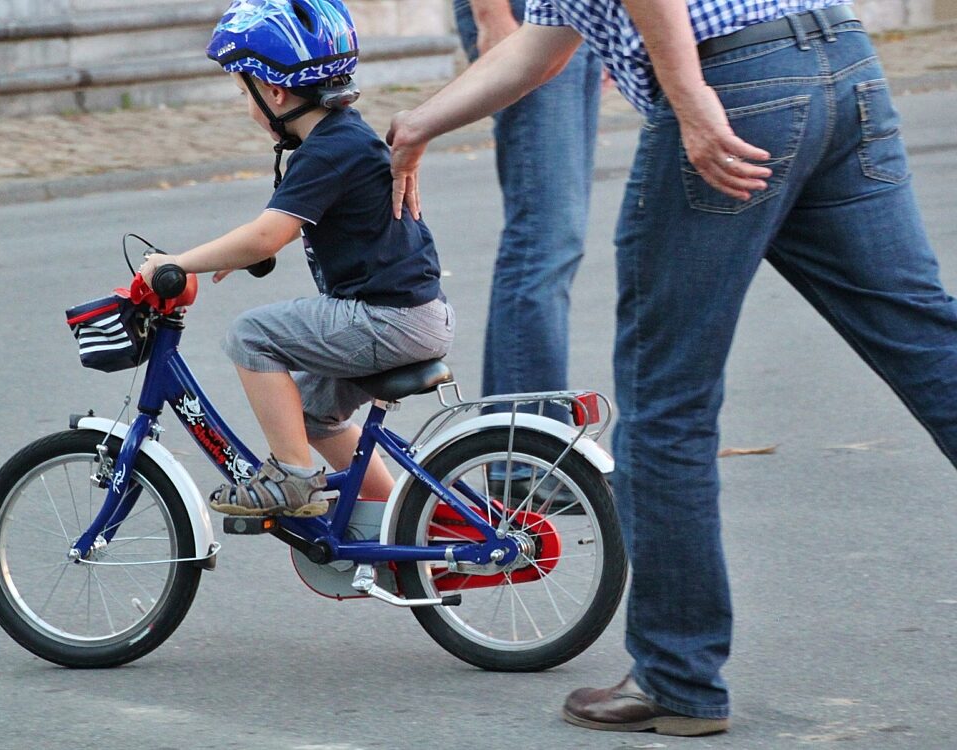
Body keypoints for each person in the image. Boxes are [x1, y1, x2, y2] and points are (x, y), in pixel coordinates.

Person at [387, 0, 957, 737]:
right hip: (841, 63)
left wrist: (688, 101)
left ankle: (676, 675)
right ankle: (675, 670)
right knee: (927, 344)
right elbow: (546, 47)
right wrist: (418, 123)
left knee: (667, 400)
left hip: (729, 81)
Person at [140, 0, 454, 517]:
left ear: (275, 92)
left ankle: (291, 476)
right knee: (310, 412)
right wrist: (234, 253)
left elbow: (266, 235)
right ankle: (398, 517)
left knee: (250, 335)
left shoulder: (328, 149)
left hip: (388, 318)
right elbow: (285, 225)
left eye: (245, 93)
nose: (246, 106)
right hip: (412, 315)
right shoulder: (341, 137)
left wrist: (174, 262)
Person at [453, 0, 600, 420]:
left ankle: (514, 448)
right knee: (545, 241)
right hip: (523, 15)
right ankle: (528, 454)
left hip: (573, 18)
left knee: (550, 241)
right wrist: (490, 13)